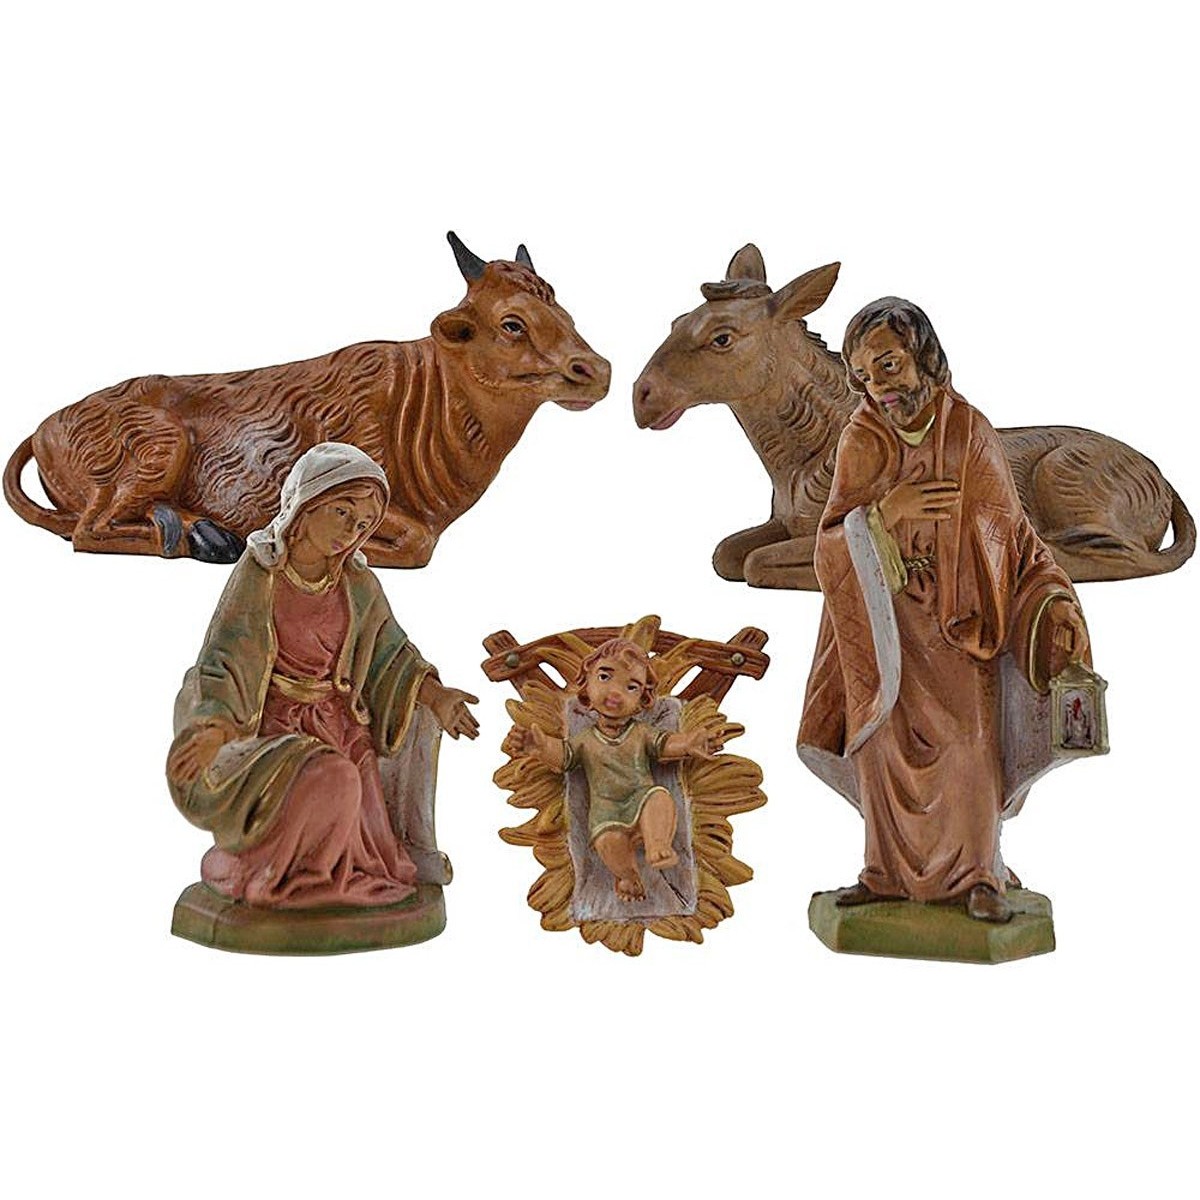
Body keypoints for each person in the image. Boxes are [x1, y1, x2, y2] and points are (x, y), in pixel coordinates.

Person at [797, 298, 1090, 923]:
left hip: (960, 625)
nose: (878, 387)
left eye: (888, 365)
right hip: (884, 626)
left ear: (922, 357)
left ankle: (977, 873)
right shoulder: (860, 439)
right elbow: (829, 543)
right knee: (880, 746)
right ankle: (883, 872)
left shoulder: (969, 433)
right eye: (863, 375)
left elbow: (1013, 536)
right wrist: (885, 514)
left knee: (967, 745)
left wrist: (1052, 598)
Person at [166, 442, 479, 909]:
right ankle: (281, 876)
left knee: (380, 863)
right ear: (304, 505)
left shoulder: (357, 583)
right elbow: (226, 658)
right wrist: (215, 726)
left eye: (364, 524)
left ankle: (327, 879)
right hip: (276, 729)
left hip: (343, 727)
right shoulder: (262, 575)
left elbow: (392, 655)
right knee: (326, 785)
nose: (351, 531)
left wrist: (436, 697)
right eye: (342, 512)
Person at [503, 638, 727, 902]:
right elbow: (564, 756)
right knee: (608, 842)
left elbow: (665, 745)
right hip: (606, 812)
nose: (615, 692)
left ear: (642, 700)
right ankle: (628, 876)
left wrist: (689, 743)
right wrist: (540, 746)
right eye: (604, 677)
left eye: (631, 687)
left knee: (659, 799)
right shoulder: (585, 740)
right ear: (585, 684)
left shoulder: (641, 733)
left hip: (641, 797)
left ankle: (657, 844)